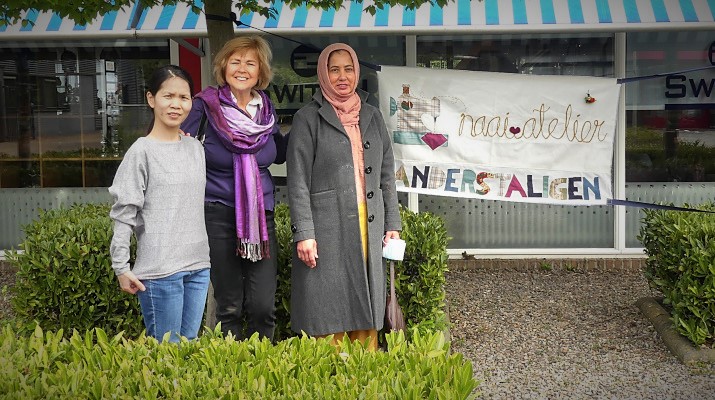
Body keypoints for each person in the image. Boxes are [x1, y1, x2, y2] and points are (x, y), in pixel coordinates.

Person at [286, 43, 402, 351]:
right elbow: (297, 181)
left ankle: (366, 375)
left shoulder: (373, 116)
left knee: (367, 296)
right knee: (328, 302)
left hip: (370, 223)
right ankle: (330, 380)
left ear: (357, 72)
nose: (342, 76)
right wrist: (304, 233)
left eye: (348, 68)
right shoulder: (307, 118)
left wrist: (393, 223)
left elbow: (387, 175)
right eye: (333, 69)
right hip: (327, 226)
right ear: (323, 73)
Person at [180, 35, 286, 340]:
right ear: (223, 65)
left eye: (250, 62)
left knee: (264, 305)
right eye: (235, 61)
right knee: (229, 306)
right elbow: (179, 149)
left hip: (260, 215)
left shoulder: (265, 109)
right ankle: (231, 371)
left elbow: (277, 153)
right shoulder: (205, 106)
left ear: (260, 71)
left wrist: (310, 127)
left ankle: (264, 369)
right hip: (218, 212)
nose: (242, 68)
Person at [109, 65, 210, 342]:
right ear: (151, 99)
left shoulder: (195, 148)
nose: (176, 105)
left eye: (183, 97)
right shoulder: (141, 152)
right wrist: (121, 266)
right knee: (166, 355)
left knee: (189, 351)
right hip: (159, 270)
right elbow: (124, 213)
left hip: (198, 266)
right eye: (168, 96)